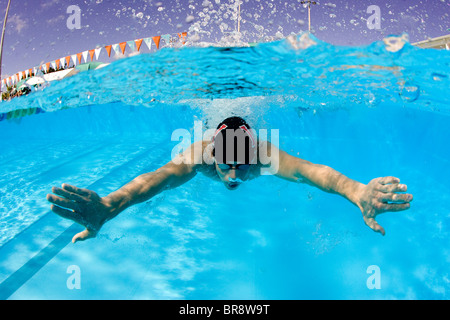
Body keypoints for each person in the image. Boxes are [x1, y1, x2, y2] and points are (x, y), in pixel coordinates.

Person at [47, 116, 413, 243]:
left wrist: (356, 190)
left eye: (241, 165)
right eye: (225, 166)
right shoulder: (199, 155)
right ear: (213, 157)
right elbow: (154, 179)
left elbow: (308, 171)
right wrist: (111, 205)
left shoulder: (262, 153)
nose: (234, 175)